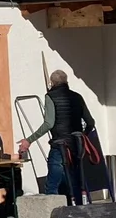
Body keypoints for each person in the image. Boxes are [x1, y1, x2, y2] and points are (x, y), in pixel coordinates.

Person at [22, 69, 99, 205]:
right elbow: (91, 122)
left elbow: (49, 123)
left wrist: (29, 140)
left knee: (53, 184)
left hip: (59, 144)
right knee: (75, 181)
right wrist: (83, 136)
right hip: (76, 145)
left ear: (51, 83)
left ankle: (52, 212)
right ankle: (77, 210)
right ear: (66, 81)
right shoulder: (77, 97)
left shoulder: (50, 97)